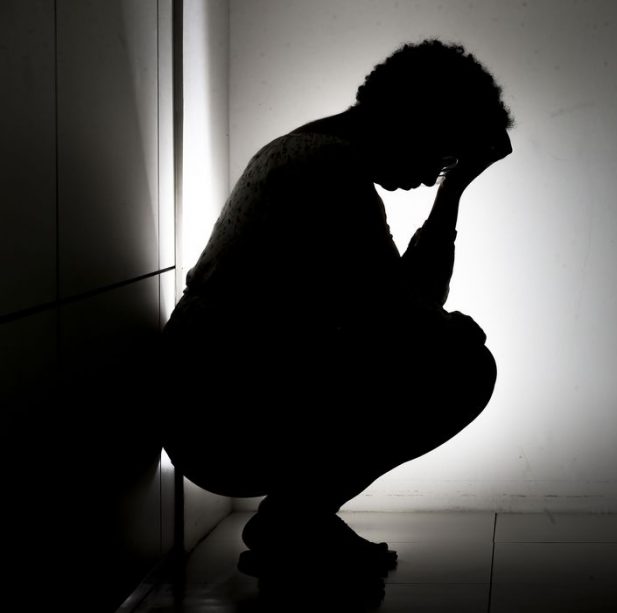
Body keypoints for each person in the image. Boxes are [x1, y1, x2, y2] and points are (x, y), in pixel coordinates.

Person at [160, 39, 513, 587]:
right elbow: (406, 319)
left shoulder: (307, 151)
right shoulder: (326, 167)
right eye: (442, 156)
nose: (431, 176)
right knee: (464, 368)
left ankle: (296, 521)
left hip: (215, 398)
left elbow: (406, 304)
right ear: (415, 119)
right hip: (221, 414)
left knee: (442, 349)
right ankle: (294, 522)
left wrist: (453, 190)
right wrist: (449, 331)